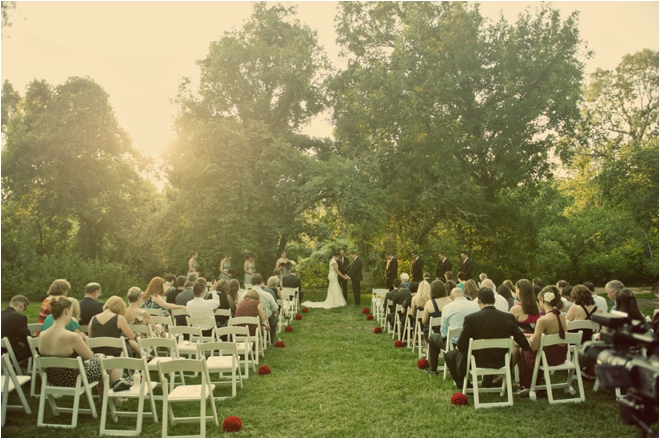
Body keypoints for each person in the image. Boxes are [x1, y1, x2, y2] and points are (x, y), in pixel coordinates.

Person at [430, 288, 530, 384]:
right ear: (494, 300)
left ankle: (465, 385)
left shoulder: (471, 319)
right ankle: (487, 382)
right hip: (502, 361)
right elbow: (524, 345)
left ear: (478, 301)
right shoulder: (509, 317)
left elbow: (461, 345)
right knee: (489, 352)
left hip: (476, 361)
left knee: (449, 355)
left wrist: (459, 346)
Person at [38, 297, 120, 400]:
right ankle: (115, 399)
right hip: (75, 378)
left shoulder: (43, 335)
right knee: (109, 361)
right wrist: (101, 356)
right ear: (67, 311)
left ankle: (104, 398)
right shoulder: (72, 336)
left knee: (102, 360)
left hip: (52, 378)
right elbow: (89, 357)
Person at [516, 286, 567, 396]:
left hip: (547, 358)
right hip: (561, 356)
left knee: (524, 349)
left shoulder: (543, 320)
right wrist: (533, 335)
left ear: (542, 300)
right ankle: (535, 383)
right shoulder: (561, 317)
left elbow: (534, 347)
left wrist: (530, 339)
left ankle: (527, 385)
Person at [249, 273, 279, 344]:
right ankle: (270, 339)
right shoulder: (268, 294)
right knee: (274, 318)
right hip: (264, 321)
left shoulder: (244, 294)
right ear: (262, 282)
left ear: (251, 282)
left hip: (248, 321)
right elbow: (275, 310)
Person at [1, 295, 32, 363]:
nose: (23, 311)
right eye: (25, 308)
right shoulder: (19, 317)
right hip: (10, 353)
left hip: (2, 351)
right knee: (37, 347)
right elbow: (26, 338)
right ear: (21, 305)